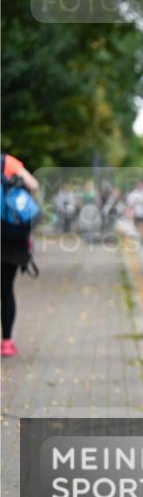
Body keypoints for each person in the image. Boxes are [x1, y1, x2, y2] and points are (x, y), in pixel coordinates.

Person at [1, 153, 40, 358]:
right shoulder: (6, 162)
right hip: (10, 236)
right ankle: (6, 342)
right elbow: (33, 185)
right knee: (6, 290)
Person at [125, 180, 143, 245]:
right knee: (139, 227)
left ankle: (142, 237)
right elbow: (129, 204)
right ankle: (141, 237)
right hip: (137, 213)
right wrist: (128, 212)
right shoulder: (133, 194)